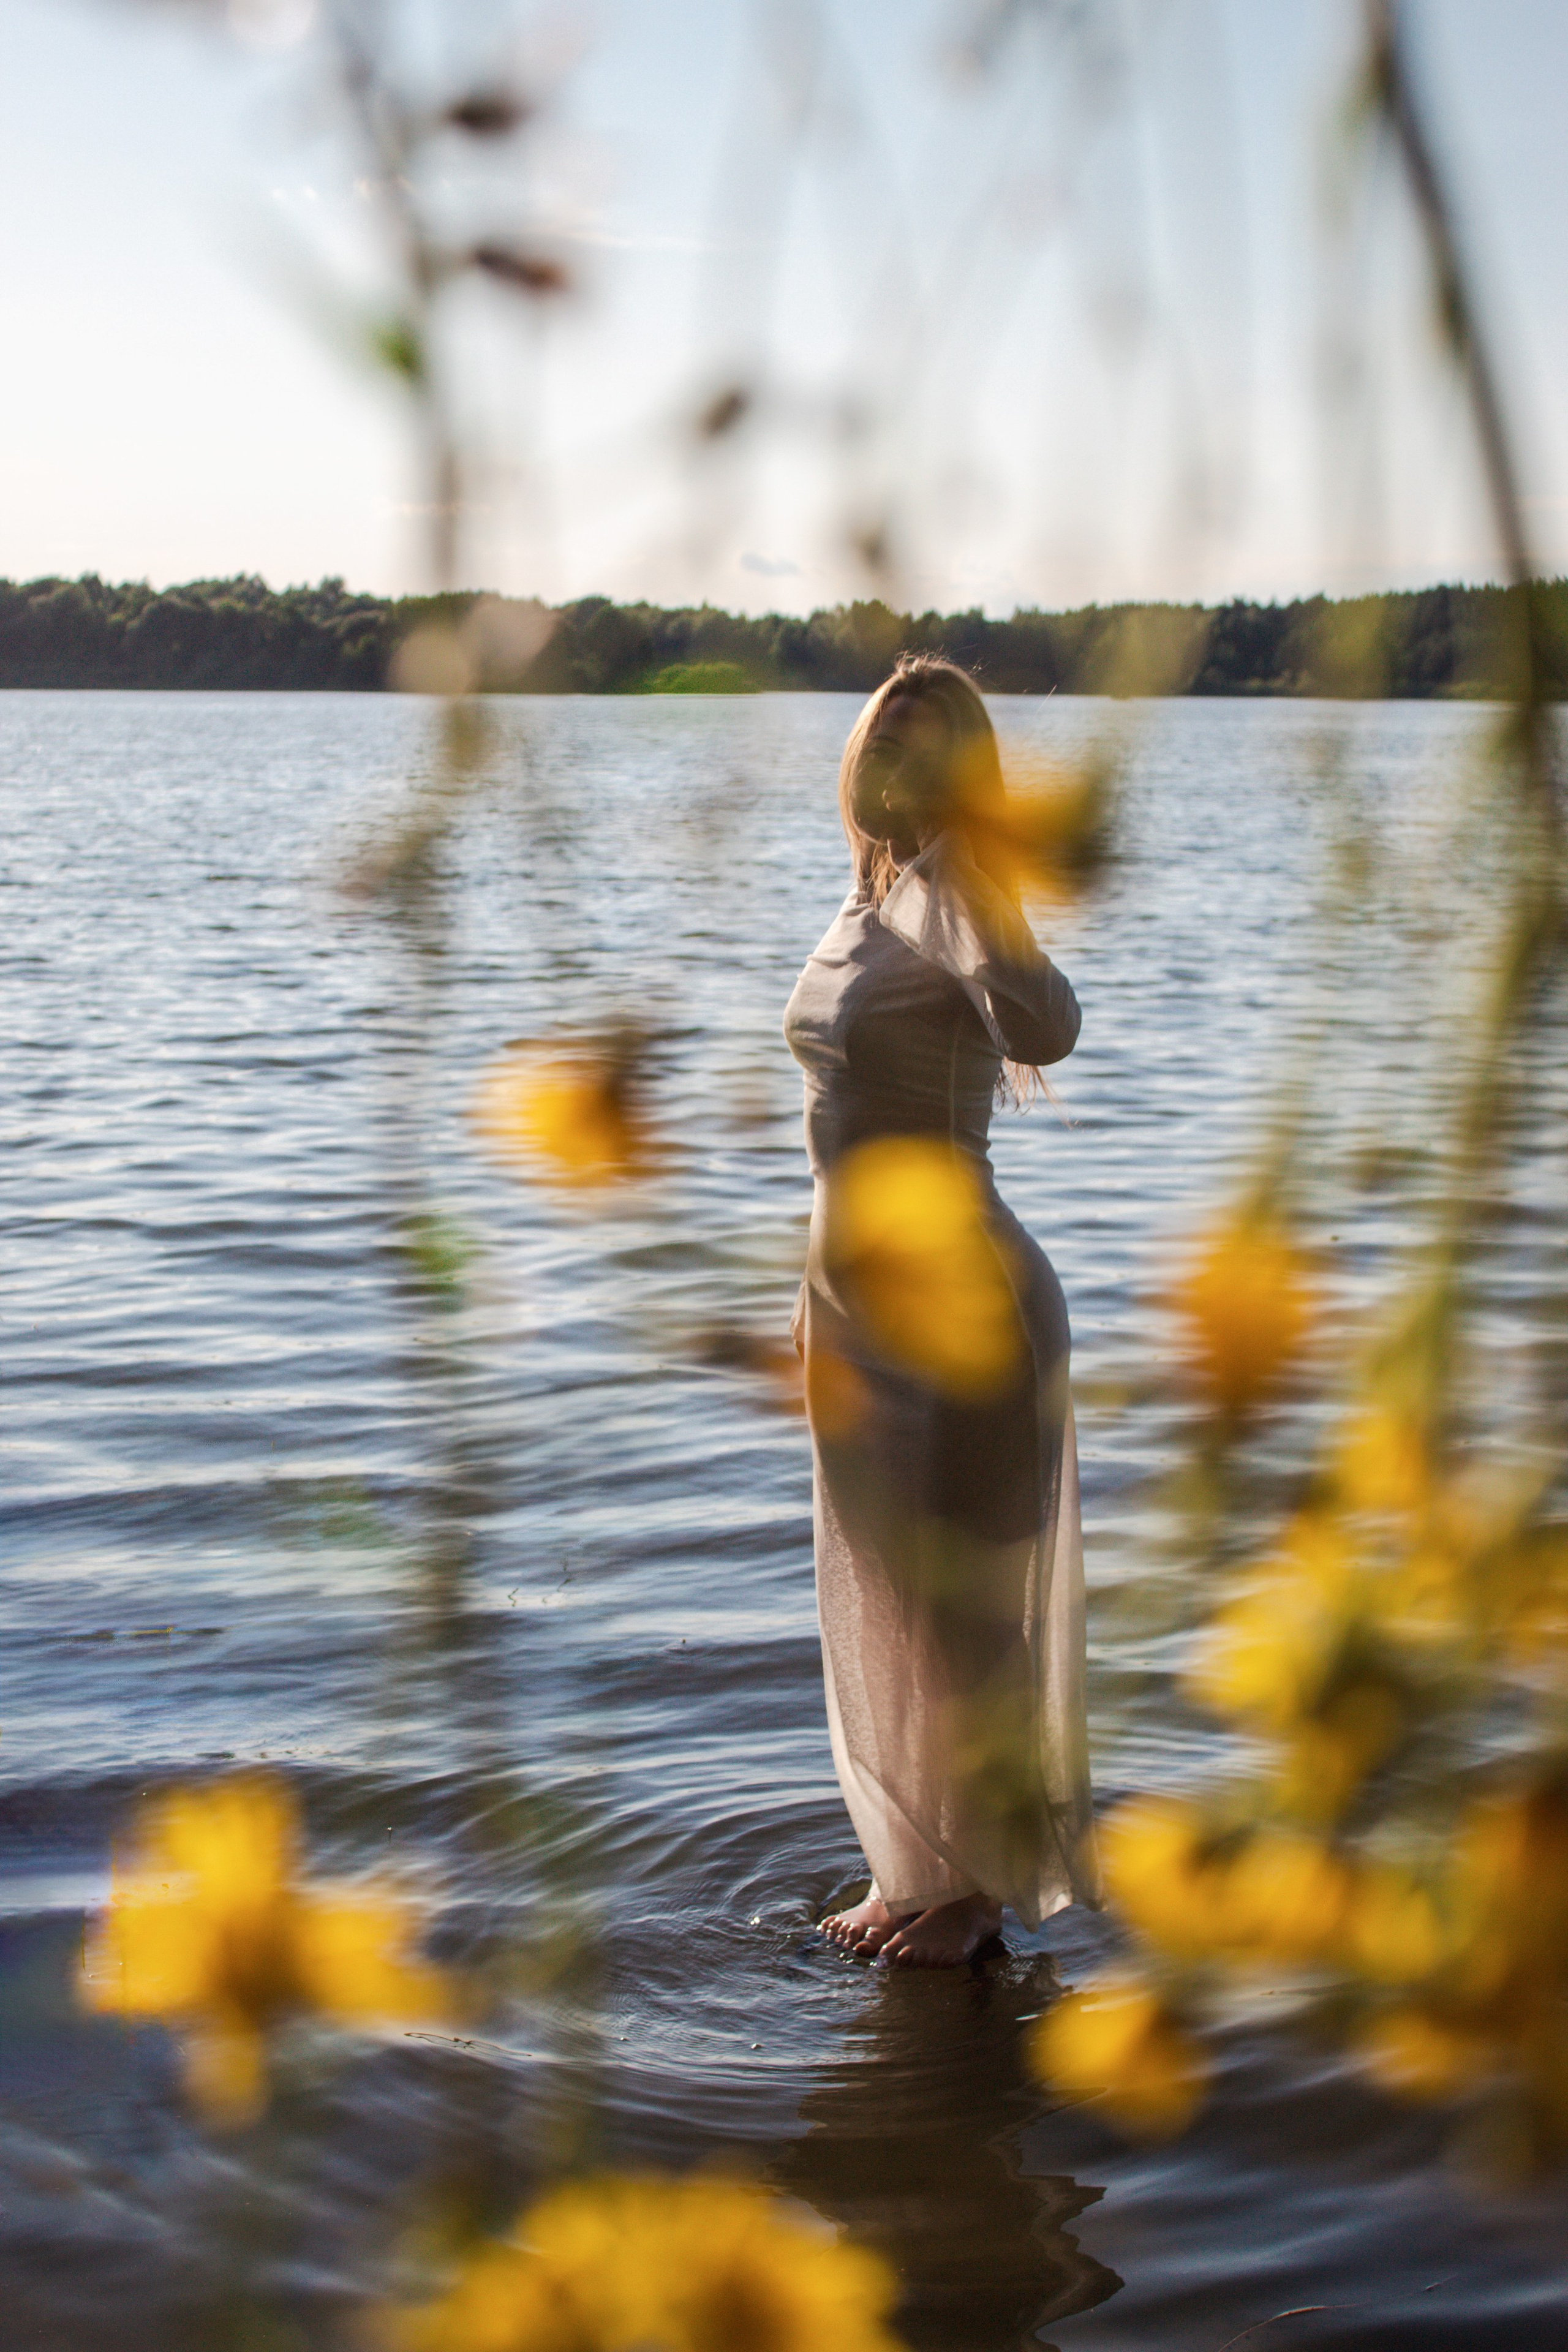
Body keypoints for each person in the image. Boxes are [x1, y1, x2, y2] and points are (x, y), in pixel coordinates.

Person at [783, 654, 1099, 1968]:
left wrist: (970, 879)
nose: (896, 762)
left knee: (965, 1609)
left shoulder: (953, 891)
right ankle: (912, 1867)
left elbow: (1048, 1028)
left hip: (961, 1303)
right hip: (851, 1308)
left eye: (928, 746)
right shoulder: (861, 903)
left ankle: (975, 1892)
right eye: (884, 738)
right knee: (889, 1594)